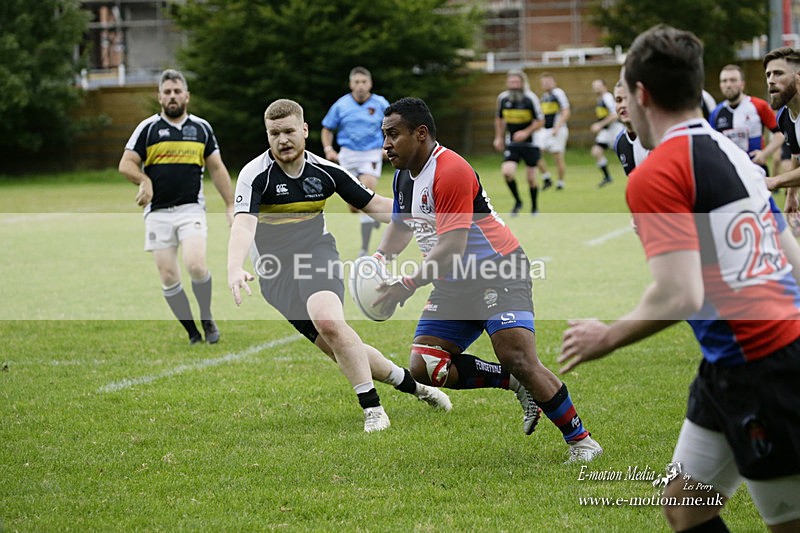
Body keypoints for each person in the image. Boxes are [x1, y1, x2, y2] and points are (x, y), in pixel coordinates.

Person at [560, 25, 800, 532]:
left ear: (641, 95)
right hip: (731, 366)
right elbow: (791, 258)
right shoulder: (736, 154)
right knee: (685, 504)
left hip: (761, 367)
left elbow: (679, 293)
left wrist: (606, 337)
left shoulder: (658, 171)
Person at [375, 96, 602, 463]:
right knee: (425, 365)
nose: (385, 144)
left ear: (420, 134)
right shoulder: (404, 176)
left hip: (499, 269)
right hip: (454, 281)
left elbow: (450, 245)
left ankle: (582, 442)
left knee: (518, 355)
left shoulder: (450, 170)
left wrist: (405, 285)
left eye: (392, 135)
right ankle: (512, 382)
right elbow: (401, 226)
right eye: (383, 136)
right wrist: (378, 260)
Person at [227, 98, 451, 433]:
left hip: (317, 254)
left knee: (329, 321)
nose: (282, 139)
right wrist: (234, 266)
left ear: (304, 131)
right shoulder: (255, 175)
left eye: (289, 131)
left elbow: (373, 204)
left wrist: (425, 211)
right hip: (274, 273)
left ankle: (373, 410)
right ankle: (416, 387)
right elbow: (243, 224)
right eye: (274, 133)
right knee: (341, 349)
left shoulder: (325, 171)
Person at [118, 69, 233, 345]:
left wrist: (230, 204)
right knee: (168, 276)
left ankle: (206, 317)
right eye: (167, 92)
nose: (172, 96)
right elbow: (126, 164)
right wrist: (143, 179)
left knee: (195, 265)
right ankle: (192, 332)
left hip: (191, 208)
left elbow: (217, 168)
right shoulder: (148, 129)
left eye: (177, 91)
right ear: (159, 97)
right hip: (157, 213)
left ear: (187, 96)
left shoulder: (202, 128)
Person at [321, 66, 390, 257]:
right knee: (354, 206)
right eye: (357, 82)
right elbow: (327, 128)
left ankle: (364, 249)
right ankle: (373, 218)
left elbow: (394, 125)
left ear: (370, 83)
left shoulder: (380, 103)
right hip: (348, 155)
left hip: (371, 154)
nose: (360, 86)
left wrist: (388, 147)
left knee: (364, 196)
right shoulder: (341, 105)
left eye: (364, 82)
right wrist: (329, 149)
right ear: (351, 84)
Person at [708, 64, 784, 172]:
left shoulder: (758, 106)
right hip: (728, 172)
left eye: (733, 80)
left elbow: (779, 134)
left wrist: (764, 154)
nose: (728, 85)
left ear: (742, 84)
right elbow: (711, 143)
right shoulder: (716, 112)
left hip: (755, 169)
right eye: (724, 81)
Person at [493, 69, 545, 215]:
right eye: (511, 82)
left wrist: (526, 132)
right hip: (513, 143)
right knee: (507, 172)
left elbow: (541, 121)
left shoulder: (530, 98)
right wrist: (498, 137)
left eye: (517, 82)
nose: (514, 85)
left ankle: (534, 207)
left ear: (522, 83)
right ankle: (518, 202)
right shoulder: (503, 98)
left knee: (531, 179)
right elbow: (499, 119)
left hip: (531, 143)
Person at [763, 47, 800, 225]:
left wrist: (774, 181)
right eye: (768, 75)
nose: (770, 80)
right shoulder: (784, 116)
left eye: (778, 73)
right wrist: (792, 194)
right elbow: (797, 155)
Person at [535, 72, 571, 190]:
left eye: (548, 81)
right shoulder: (544, 97)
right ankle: (547, 178)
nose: (546, 84)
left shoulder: (558, 93)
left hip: (557, 130)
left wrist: (557, 127)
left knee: (557, 157)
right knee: (535, 153)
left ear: (554, 82)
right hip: (545, 130)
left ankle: (560, 183)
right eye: (544, 82)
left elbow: (566, 111)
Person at [589, 78, 625, 187]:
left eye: (598, 85)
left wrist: (600, 125)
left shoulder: (607, 97)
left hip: (615, 129)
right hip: (606, 131)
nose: (596, 88)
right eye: (594, 86)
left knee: (624, 152)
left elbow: (615, 115)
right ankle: (607, 177)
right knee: (596, 151)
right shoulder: (600, 99)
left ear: (604, 86)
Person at [612, 79, 649, 176]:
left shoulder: (658, 137)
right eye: (618, 100)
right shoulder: (620, 142)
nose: (623, 105)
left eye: (628, 99)